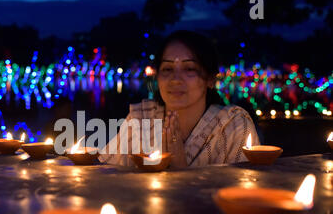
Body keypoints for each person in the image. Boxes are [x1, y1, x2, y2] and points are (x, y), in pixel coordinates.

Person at [98, 30, 260, 168]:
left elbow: (244, 193)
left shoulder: (233, 125)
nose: (175, 79)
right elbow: (107, 175)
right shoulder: (140, 119)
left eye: (189, 68)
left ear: (210, 78)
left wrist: (180, 171)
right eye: (167, 69)